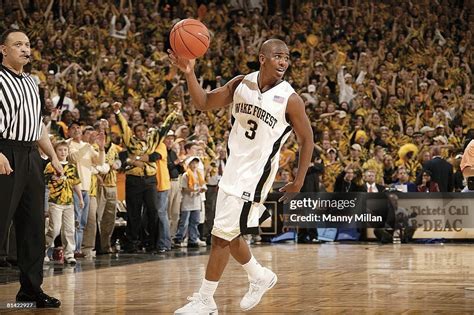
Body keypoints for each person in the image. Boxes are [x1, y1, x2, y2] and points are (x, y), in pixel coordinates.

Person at [170, 38, 313, 314]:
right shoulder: (241, 84)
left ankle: (206, 300)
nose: (283, 62)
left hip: (255, 177)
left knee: (221, 236)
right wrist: (189, 73)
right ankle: (259, 276)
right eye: (278, 56)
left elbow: (308, 139)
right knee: (228, 232)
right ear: (262, 58)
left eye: (286, 57)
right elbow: (203, 103)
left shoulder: (290, 99)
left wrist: (299, 179)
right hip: (232, 170)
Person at [0, 29, 61, 308]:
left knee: (34, 226)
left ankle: (30, 289)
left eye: (27, 44)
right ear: (3, 50)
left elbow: (37, 126)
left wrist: (54, 157)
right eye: (18, 44)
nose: (25, 49)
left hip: (31, 155)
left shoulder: (32, 82)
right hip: (5, 151)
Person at [44, 141, 83, 265]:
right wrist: (52, 177)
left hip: (69, 202)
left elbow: (75, 183)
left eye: (65, 150)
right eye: (60, 150)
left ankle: (69, 254)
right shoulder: (51, 165)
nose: (63, 152)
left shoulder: (72, 166)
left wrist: (80, 198)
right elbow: (45, 178)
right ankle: (43, 250)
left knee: (69, 229)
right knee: (54, 229)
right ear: (55, 151)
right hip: (55, 201)